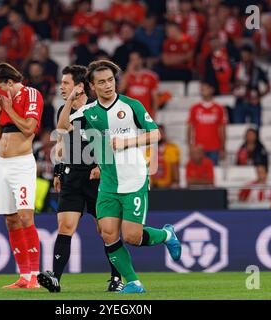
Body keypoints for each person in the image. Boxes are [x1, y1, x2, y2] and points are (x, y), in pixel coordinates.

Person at [54, 60, 181, 294]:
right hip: (109, 184)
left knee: (132, 236)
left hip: (133, 179)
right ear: (92, 86)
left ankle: (166, 234)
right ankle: (133, 282)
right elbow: (62, 128)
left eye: (110, 80)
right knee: (108, 233)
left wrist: (127, 142)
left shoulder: (131, 105)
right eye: (101, 82)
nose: (107, 85)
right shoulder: (88, 112)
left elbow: (155, 133)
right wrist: (71, 99)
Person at [37, 65, 123, 293]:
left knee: (106, 230)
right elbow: (63, 142)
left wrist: (99, 165)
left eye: (65, 83)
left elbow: (108, 140)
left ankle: (117, 278)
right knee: (65, 226)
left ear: (79, 86)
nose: (61, 87)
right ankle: (55, 278)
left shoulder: (98, 110)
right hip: (72, 175)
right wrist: (58, 170)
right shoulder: (63, 111)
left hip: (98, 177)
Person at [0, 63, 44, 289]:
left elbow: (29, 128)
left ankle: (35, 276)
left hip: (22, 164)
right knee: (10, 220)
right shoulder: (2, 101)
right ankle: (24, 276)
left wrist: (10, 110)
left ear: (10, 82)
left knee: (25, 217)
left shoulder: (31, 95)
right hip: (3, 164)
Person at [187, 81, 227, 166]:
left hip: (214, 147)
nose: (203, 90)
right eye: (202, 88)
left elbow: (222, 129)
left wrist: (222, 148)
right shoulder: (195, 108)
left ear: (212, 90)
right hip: (198, 148)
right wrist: (190, 146)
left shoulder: (219, 108)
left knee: (213, 172)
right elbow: (190, 128)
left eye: (205, 88)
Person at [232, 44, 270, 128]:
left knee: (256, 129)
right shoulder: (237, 69)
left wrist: (259, 98)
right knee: (238, 128)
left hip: (254, 102)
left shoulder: (257, 69)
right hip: (240, 101)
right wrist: (237, 84)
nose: (244, 57)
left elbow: (268, 86)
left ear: (251, 55)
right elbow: (230, 85)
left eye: (246, 55)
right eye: (242, 55)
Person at [119, 51, 160, 119]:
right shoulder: (127, 76)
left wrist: (154, 115)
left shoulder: (151, 76)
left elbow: (155, 99)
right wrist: (128, 72)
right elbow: (120, 90)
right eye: (132, 60)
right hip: (129, 115)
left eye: (136, 59)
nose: (134, 62)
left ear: (141, 60)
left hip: (145, 114)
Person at [148, 125, 180, 189]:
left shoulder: (172, 148)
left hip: (167, 187)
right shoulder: (148, 150)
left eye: (160, 133)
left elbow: (175, 166)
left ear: (164, 134)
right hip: (152, 187)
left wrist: (176, 182)